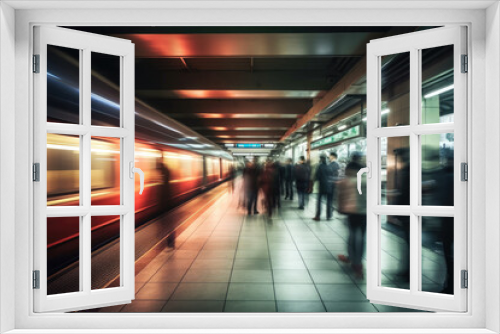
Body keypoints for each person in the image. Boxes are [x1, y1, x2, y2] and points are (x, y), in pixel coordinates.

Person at [337, 151, 366, 279]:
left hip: (352, 212)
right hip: (365, 213)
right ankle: (357, 261)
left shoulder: (346, 182)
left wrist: (340, 208)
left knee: (353, 236)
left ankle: (355, 262)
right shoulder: (367, 181)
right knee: (361, 237)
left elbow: (340, 197)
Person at [313, 154, 334, 221]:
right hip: (330, 186)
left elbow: (317, 176)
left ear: (321, 159)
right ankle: (329, 216)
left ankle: (318, 216)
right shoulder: (330, 166)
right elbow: (332, 175)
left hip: (322, 186)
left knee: (319, 202)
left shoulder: (320, 166)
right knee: (329, 201)